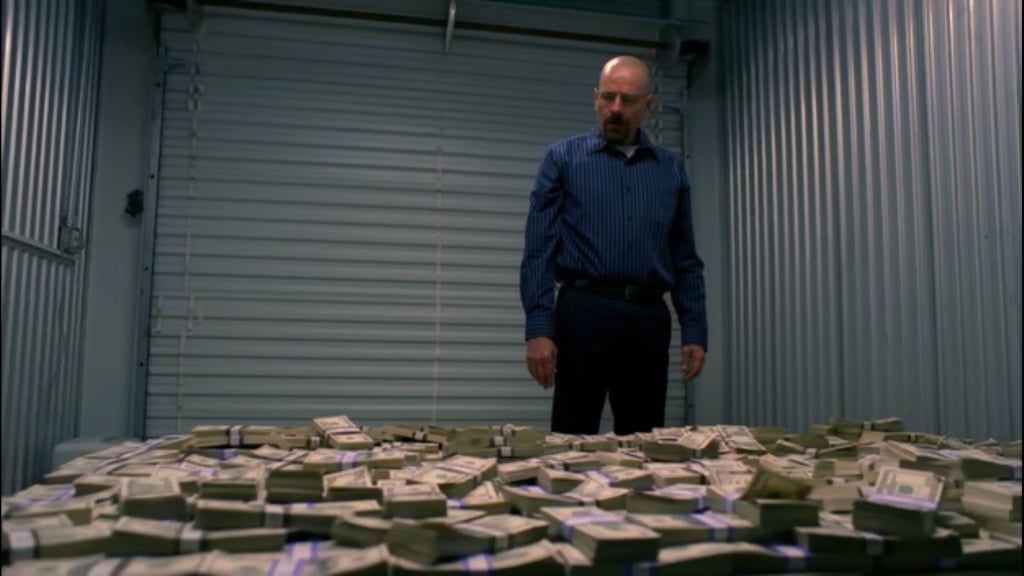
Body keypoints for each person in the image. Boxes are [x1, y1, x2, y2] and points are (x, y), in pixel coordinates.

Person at [519, 55, 708, 436]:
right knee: (572, 438)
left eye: (628, 99)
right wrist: (539, 328)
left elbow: (685, 257)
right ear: (595, 98)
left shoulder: (670, 170)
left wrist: (694, 330)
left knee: (643, 441)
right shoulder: (563, 159)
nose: (616, 108)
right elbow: (538, 250)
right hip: (582, 314)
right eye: (608, 97)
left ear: (648, 104)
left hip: (647, 320)